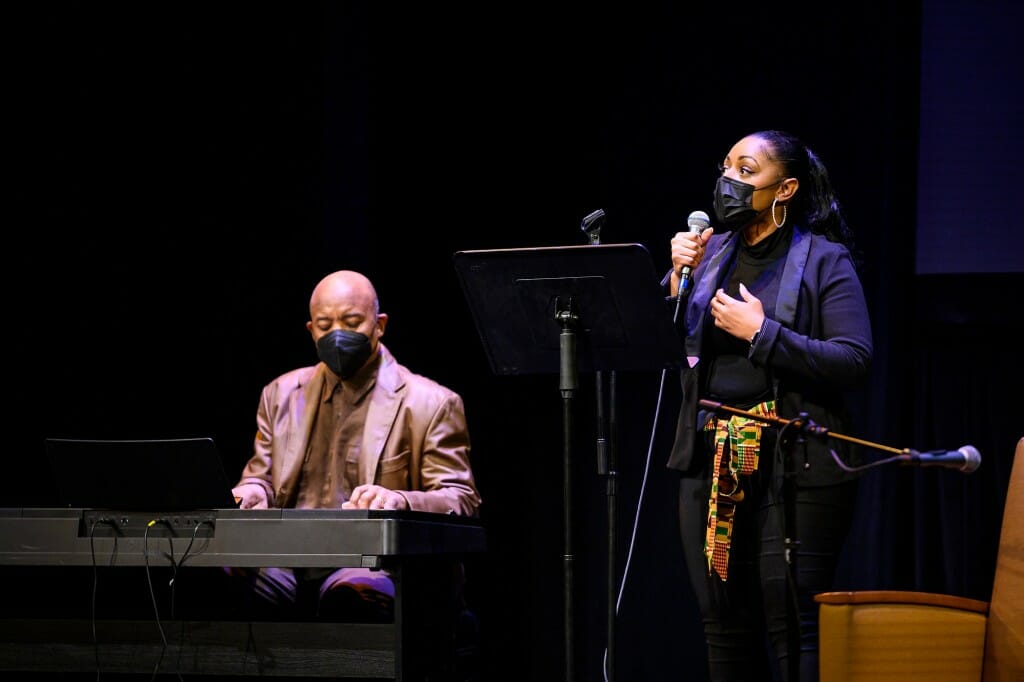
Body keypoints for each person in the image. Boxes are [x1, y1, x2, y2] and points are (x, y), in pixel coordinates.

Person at [665, 130, 872, 681]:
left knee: (793, 622)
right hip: (711, 464)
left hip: (797, 462)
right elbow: (661, 353)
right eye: (726, 166)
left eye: (746, 170)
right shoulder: (707, 259)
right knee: (723, 625)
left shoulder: (826, 259)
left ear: (785, 189)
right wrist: (674, 281)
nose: (729, 181)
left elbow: (854, 360)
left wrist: (763, 333)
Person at [227, 269, 482, 624]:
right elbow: (262, 477)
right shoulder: (280, 394)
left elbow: (461, 499)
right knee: (212, 579)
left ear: (379, 325)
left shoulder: (432, 403)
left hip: (374, 564)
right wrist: (254, 489)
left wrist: (401, 501)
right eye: (324, 324)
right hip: (289, 560)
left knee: (354, 595)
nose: (337, 335)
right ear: (310, 330)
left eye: (351, 322)